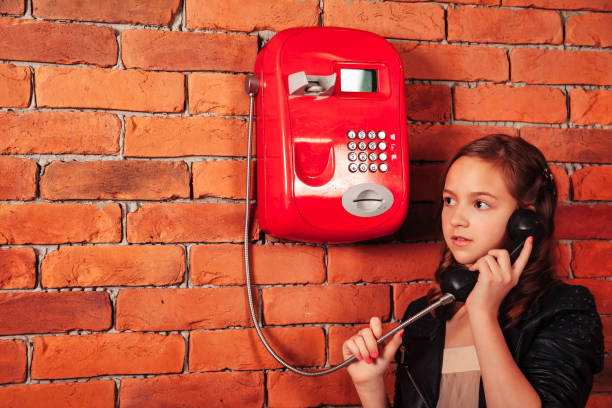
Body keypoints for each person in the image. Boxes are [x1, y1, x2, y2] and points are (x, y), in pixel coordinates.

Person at [342, 134, 604, 407]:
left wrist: (483, 314)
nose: (456, 219)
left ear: (525, 220)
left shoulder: (564, 310)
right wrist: (370, 386)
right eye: (449, 201)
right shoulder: (424, 315)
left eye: (480, 204)